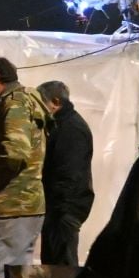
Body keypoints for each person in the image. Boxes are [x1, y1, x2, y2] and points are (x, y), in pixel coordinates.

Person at [0, 56, 51, 278]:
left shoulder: (15, 104)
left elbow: (14, 155)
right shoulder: (23, 101)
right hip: (21, 207)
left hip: (12, 206)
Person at [38, 79, 95, 266]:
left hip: (65, 208)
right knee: (54, 264)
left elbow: (69, 172)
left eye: (41, 103)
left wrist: (59, 207)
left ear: (55, 102)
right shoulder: (60, 124)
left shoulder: (71, 128)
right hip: (59, 206)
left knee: (63, 266)